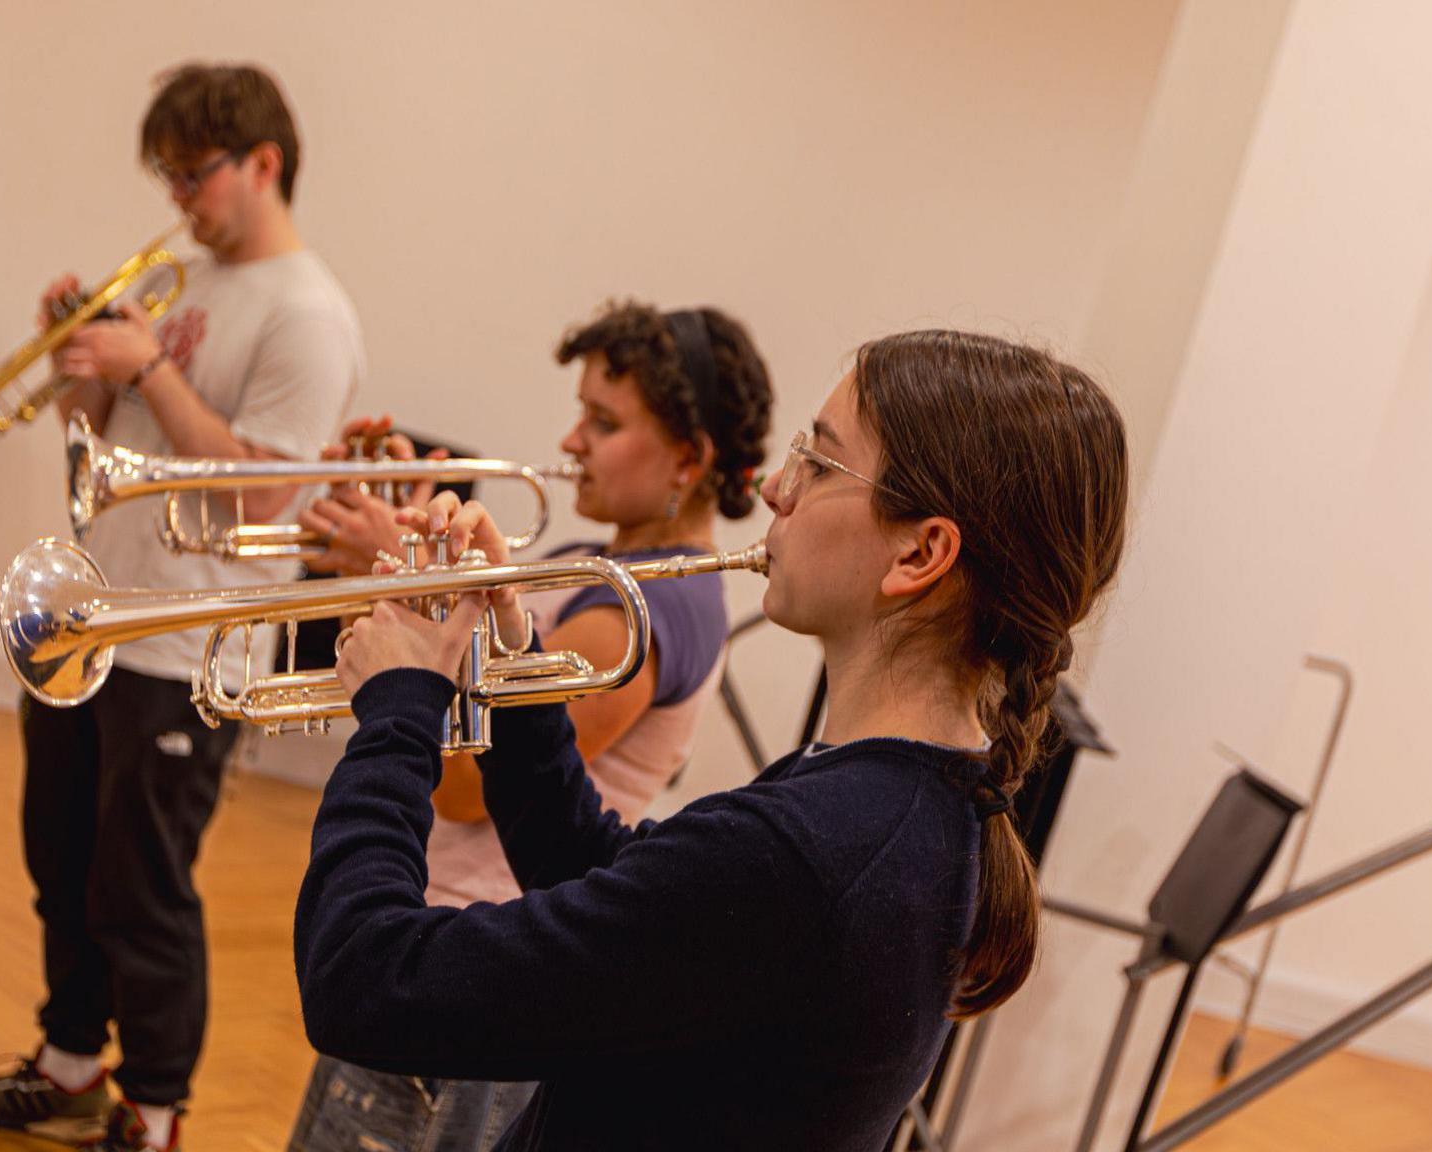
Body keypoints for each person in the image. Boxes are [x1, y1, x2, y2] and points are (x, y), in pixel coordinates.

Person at [296, 330, 1129, 1150]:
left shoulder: (806, 850)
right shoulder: (906, 800)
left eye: (819, 464)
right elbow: (616, 888)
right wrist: (514, 669)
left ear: (920, 551)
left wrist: (400, 705)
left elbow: (363, 979)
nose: (775, 489)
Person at [0, 63, 362, 1152]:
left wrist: (148, 370)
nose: (177, 197)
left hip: (186, 641)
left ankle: (155, 1110)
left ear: (263, 162)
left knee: (143, 885)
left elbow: (263, 489)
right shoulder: (188, 278)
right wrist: (80, 359)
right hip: (93, 612)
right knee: (59, 857)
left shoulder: (308, 313)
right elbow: (96, 440)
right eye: (166, 175)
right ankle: (70, 1064)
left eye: (193, 173)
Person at [284, 303, 772, 1151]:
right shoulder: (596, 561)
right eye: (582, 410)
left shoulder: (649, 607)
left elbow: (477, 790)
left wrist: (399, 611)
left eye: (605, 421)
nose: (572, 438)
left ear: (689, 460)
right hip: (445, 936)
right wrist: (403, 555)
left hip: (472, 968)